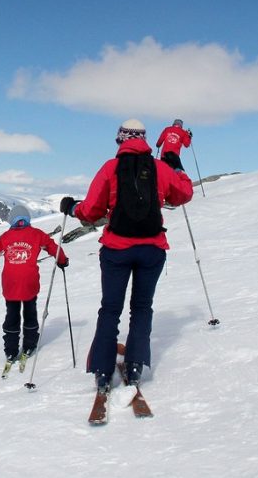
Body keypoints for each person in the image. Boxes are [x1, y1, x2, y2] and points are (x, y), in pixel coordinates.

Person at [59, 119, 193, 393]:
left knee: (110, 309)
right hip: (152, 250)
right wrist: (177, 167)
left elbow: (91, 211)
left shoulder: (110, 168)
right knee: (142, 308)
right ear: (144, 140)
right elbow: (184, 194)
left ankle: (103, 370)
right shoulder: (160, 168)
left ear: (120, 140)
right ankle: (134, 367)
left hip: (116, 250)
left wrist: (72, 208)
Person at [0, 204, 68, 364]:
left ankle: (11, 350)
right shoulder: (37, 234)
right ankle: (29, 345)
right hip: (30, 282)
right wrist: (62, 260)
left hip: (10, 283)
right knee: (30, 313)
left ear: (11, 220)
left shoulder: (6, 237)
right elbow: (54, 247)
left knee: (12, 315)